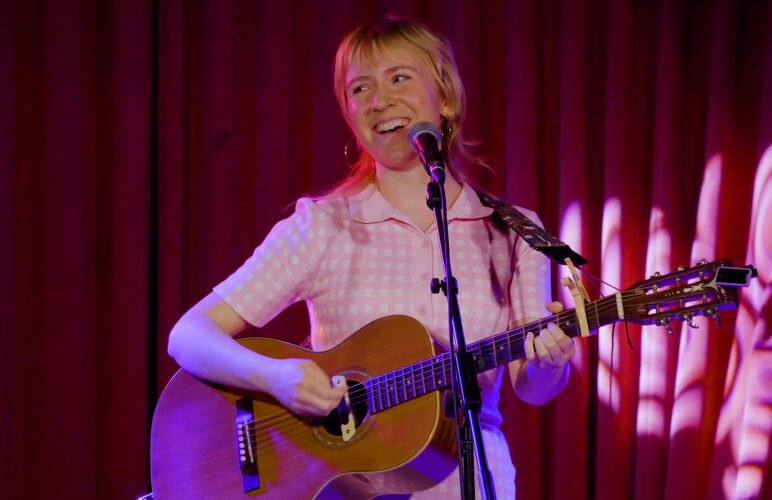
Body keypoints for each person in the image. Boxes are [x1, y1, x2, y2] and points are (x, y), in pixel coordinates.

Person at [167, 16, 575, 499]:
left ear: (445, 97)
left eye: (398, 78)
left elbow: (531, 387)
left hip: (472, 482)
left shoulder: (514, 231)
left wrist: (551, 362)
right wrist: (276, 377)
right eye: (359, 88)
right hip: (347, 488)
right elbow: (188, 336)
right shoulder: (322, 227)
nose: (379, 100)